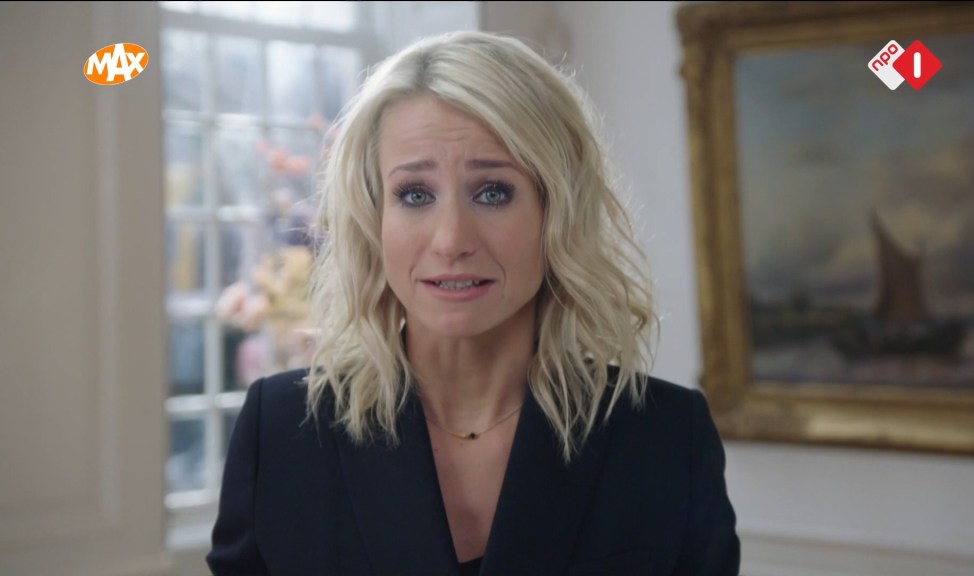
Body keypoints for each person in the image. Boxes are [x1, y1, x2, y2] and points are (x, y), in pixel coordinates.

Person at [208, 30, 740, 576]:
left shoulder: (665, 440)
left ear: (555, 212)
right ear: (374, 220)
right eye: (415, 194)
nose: (450, 240)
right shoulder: (279, 433)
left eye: (493, 193)